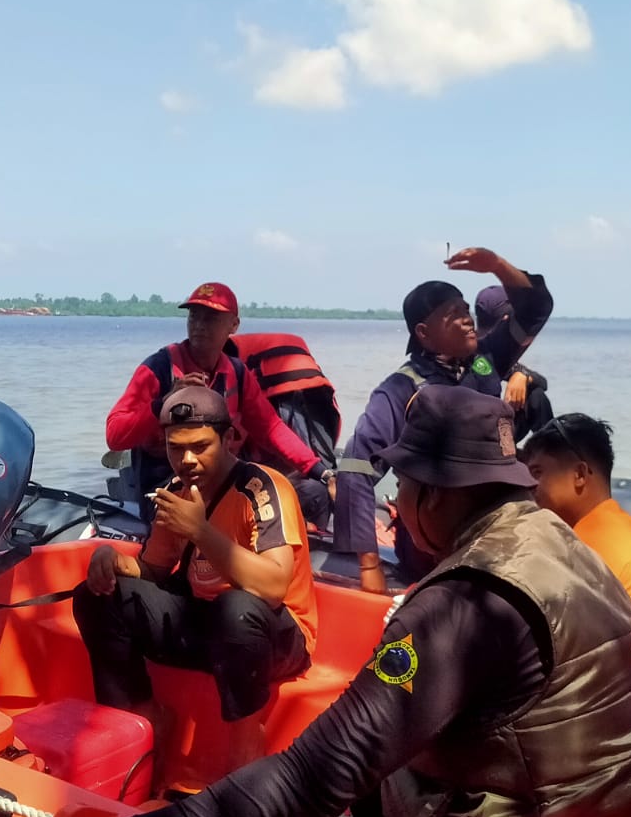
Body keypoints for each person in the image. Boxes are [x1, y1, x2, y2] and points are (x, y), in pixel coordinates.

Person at [105, 387, 631, 817]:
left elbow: (317, 773)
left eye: (402, 488)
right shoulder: (562, 542)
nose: (394, 504)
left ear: (434, 495)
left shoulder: (463, 602)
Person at [76, 386, 317, 753]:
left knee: (236, 609)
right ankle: (143, 725)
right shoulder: (176, 491)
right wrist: (111, 559)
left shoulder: (262, 488)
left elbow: (273, 586)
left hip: (276, 640)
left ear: (229, 439)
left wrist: (200, 531)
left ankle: (247, 752)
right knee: (96, 598)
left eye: (200, 446)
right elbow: (153, 571)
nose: (187, 460)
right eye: (176, 447)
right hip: (208, 626)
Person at [336, 247, 553, 586]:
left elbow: (535, 307)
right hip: (435, 538)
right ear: (423, 333)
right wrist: (368, 567)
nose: (467, 319)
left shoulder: (486, 358)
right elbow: (356, 468)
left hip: (496, 520)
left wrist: (497, 267)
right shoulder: (400, 389)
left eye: (467, 310)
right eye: (453, 313)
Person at [521, 414, 631, 792]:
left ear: (580, 475)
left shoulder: (585, 550)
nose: (528, 485)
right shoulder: (619, 530)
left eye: (537, 472)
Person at [105, 282, 335, 529]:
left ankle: (293, 554)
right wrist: (163, 403)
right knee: (212, 516)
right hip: (168, 488)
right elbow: (115, 436)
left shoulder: (237, 372)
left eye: (211, 318)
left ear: (233, 325)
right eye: (194, 316)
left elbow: (271, 430)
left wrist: (322, 472)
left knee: (314, 493)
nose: (199, 325)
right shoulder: (159, 368)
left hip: (222, 483)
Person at [476, 284, 555, 443]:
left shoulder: (490, 348)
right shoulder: (481, 354)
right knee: (536, 396)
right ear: (507, 318)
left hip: (492, 431)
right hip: (479, 439)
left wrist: (522, 376)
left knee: (534, 395)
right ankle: (553, 454)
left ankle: (550, 450)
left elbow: (542, 382)